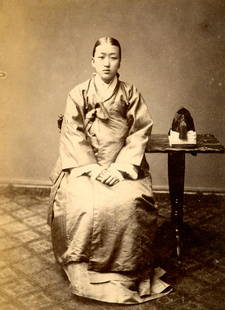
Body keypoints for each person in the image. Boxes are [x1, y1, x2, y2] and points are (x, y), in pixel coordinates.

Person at [48, 36, 172, 304]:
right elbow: (73, 133)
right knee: (81, 202)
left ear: (120, 62)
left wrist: (120, 168)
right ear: (92, 62)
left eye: (113, 57)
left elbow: (139, 132)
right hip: (84, 166)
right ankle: (82, 271)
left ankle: (127, 272)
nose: (107, 62)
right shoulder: (77, 93)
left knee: (129, 202)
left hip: (124, 166)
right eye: (101, 57)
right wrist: (92, 168)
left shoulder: (130, 93)